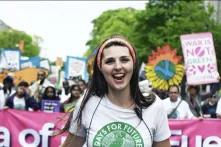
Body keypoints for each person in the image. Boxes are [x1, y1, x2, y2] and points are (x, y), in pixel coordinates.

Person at [61, 35, 171, 147]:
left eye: (124, 60)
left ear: (133, 64)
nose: (118, 66)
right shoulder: (87, 103)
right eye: (109, 61)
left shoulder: (155, 106)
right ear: (100, 67)